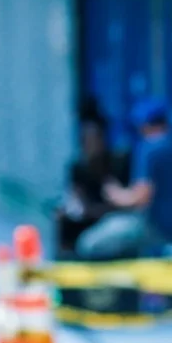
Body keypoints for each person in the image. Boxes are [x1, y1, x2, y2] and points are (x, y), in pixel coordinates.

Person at [75, 98, 172, 259]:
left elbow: (140, 198)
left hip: (157, 229)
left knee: (89, 244)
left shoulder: (149, 149)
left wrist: (115, 193)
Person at [54, 99, 131, 258]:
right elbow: (76, 198)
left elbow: (122, 200)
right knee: (63, 219)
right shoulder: (78, 167)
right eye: (86, 141)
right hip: (89, 214)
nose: (91, 146)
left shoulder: (118, 163)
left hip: (112, 216)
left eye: (95, 140)